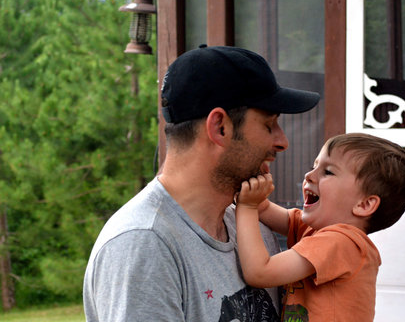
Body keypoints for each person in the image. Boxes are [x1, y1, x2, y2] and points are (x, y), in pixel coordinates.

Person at [83, 45, 320, 321]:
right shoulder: (144, 245)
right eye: (269, 125)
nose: (282, 142)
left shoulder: (252, 227)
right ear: (220, 127)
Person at [235, 133, 405, 322]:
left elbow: (260, 273)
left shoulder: (342, 242)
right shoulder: (318, 231)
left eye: (328, 172)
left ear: (364, 205)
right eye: (313, 167)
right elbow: (264, 209)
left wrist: (247, 206)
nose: (309, 176)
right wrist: (253, 191)